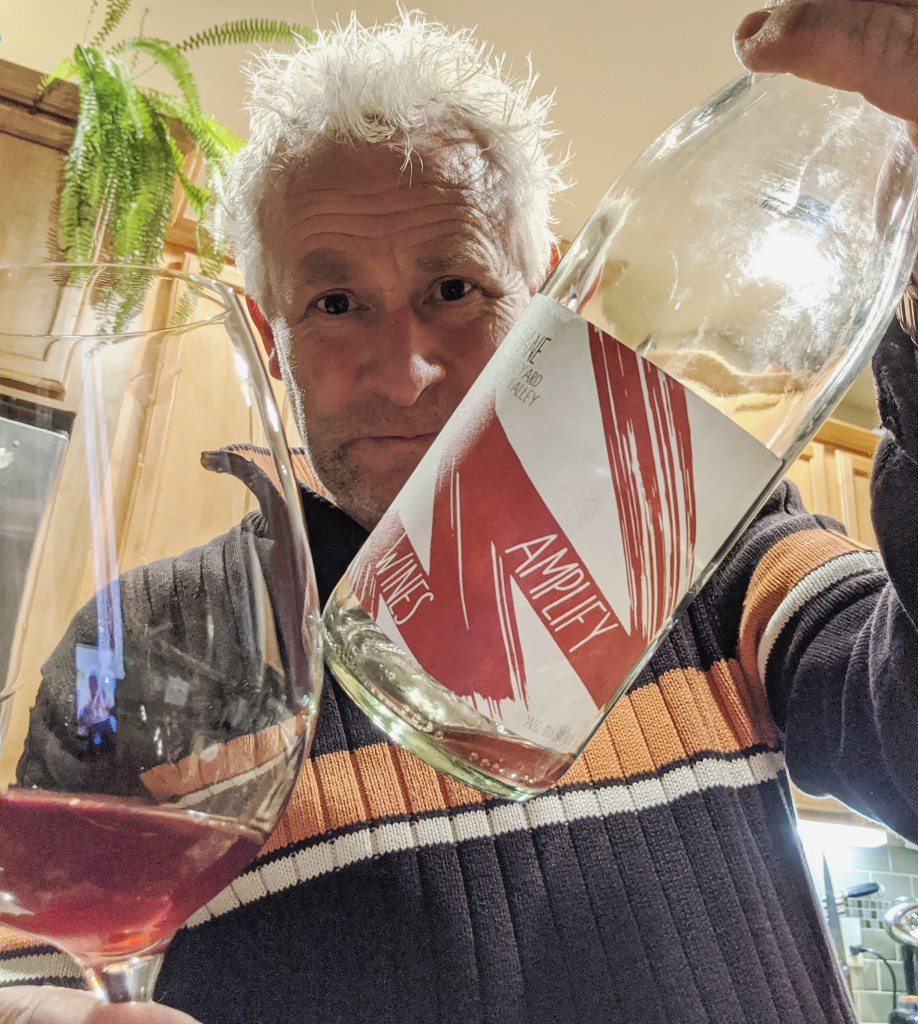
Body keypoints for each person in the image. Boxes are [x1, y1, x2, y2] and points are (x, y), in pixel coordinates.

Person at [3, 2, 918, 1021]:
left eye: (453, 287)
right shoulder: (145, 641)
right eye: (335, 304)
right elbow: (37, 969)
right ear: (268, 334)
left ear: (544, 305)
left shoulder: (709, 542)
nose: (404, 372)